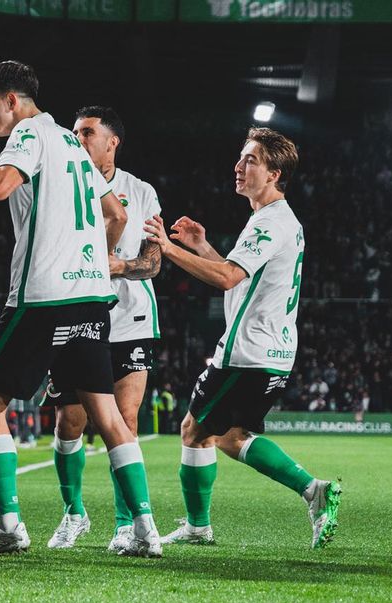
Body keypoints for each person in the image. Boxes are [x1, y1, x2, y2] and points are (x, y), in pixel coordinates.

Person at [0, 60, 161, 556]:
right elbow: (116, 214)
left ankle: (10, 525)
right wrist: (95, 260)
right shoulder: (70, 144)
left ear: (11, 100)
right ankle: (145, 529)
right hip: (90, 297)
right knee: (108, 414)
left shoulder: (31, 133)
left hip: (43, 296)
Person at [142, 126, 341, 550]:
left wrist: (168, 248)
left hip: (247, 351)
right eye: (241, 157)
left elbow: (229, 277)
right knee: (230, 437)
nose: (239, 166)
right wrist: (201, 246)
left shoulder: (268, 222)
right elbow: (239, 280)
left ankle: (199, 527)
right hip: (271, 351)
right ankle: (313, 490)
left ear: (274, 173)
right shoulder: (276, 220)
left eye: (251, 160)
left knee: (194, 430)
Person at [41, 106, 165, 553]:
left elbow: (153, 261)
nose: (78, 138)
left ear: (113, 141)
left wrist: (121, 265)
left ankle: (125, 524)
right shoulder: (61, 181)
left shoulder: (140, 191)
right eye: (74, 132)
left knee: (125, 419)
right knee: (69, 421)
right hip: (74, 314)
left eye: (87, 132)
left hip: (130, 319)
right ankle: (74, 513)